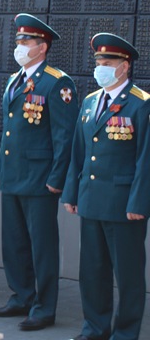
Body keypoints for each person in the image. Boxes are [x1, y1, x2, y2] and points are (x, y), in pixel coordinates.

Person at [0, 14, 78, 331]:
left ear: (43, 47)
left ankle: (44, 308)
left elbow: (64, 136)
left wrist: (57, 178)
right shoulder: (16, 79)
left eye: (26, 41)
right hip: (13, 175)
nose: (20, 45)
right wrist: (2, 170)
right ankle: (21, 296)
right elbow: (10, 131)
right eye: (18, 40)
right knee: (14, 243)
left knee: (42, 247)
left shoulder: (57, 82)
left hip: (40, 179)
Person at [62, 33, 150, 340]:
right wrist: (72, 193)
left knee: (128, 276)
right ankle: (95, 328)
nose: (101, 67)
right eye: (99, 61)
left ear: (125, 66)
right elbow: (78, 152)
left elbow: (146, 160)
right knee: (92, 271)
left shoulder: (141, 104)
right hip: (91, 200)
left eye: (108, 62)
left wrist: (139, 203)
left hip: (123, 206)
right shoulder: (90, 102)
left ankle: (125, 333)